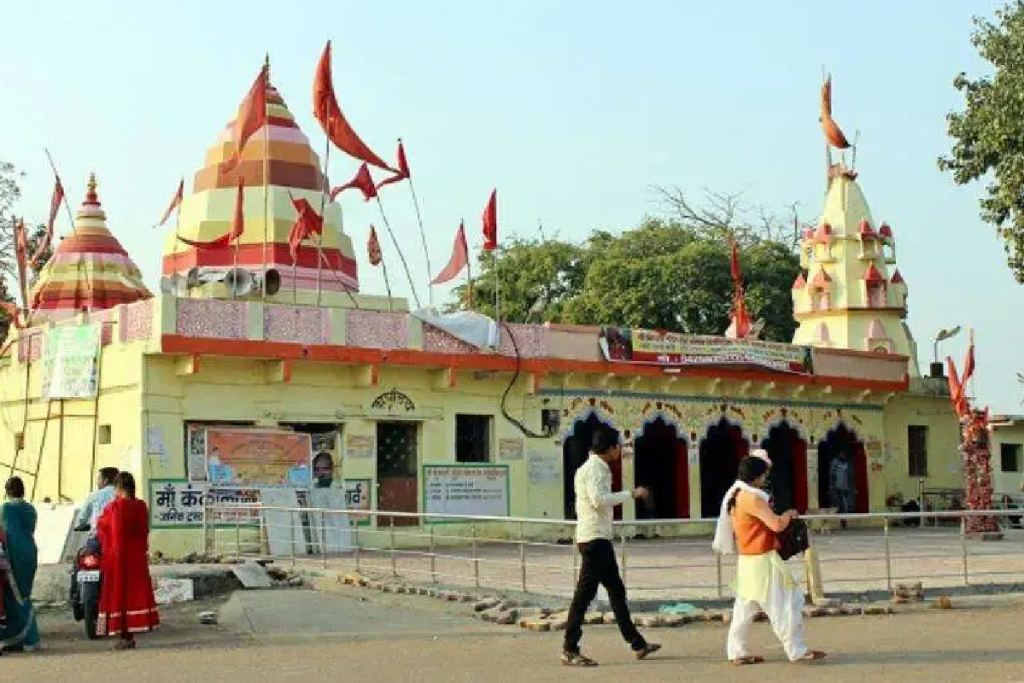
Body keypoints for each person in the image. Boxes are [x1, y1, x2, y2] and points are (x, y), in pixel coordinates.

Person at [561, 426, 660, 667]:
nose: (620, 451)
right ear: (611, 448)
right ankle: (569, 648)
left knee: (616, 590)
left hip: (595, 537)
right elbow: (599, 499)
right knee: (584, 596)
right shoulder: (597, 468)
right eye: (619, 446)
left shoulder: (587, 467)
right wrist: (632, 493)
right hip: (595, 539)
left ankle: (637, 642)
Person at [713, 456, 825, 665]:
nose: (765, 478)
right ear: (756, 477)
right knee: (785, 604)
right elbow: (776, 525)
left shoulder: (736, 495)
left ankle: (737, 651)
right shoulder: (752, 498)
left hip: (747, 561)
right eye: (764, 474)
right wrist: (788, 515)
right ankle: (796, 649)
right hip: (763, 560)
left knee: (744, 610)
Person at [96, 472, 159, 650]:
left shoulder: (115, 507)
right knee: (133, 596)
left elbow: (110, 532)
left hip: (119, 560)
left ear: (117, 488)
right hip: (137, 558)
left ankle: (125, 636)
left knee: (119, 597)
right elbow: (143, 531)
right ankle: (129, 635)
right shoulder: (140, 506)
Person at [1, 477, 39, 652]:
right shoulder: (30, 509)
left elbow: (6, 533)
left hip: (14, 554)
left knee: (16, 597)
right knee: (24, 595)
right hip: (30, 552)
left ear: (7, 491)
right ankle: (20, 638)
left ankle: (29, 638)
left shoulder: (7, 509)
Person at [74, 467, 119, 535]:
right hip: (119, 538)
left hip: (99, 536)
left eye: (99, 479)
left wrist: (84, 524)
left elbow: (81, 520)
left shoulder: (94, 495)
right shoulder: (123, 495)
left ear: (105, 480)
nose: (97, 482)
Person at [828, 451, 854, 529]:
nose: (843, 456)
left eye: (844, 454)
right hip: (837, 487)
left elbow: (847, 476)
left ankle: (843, 521)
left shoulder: (846, 464)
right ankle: (841, 522)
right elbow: (832, 474)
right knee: (840, 505)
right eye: (841, 454)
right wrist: (833, 486)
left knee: (845, 504)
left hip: (845, 487)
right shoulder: (835, 462)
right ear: (839, 455)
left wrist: (849, 487)